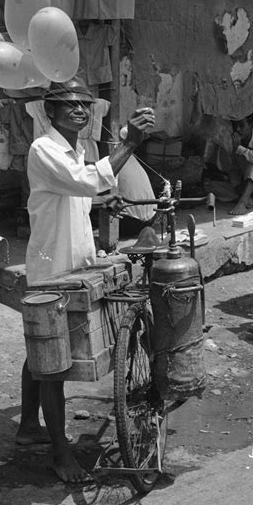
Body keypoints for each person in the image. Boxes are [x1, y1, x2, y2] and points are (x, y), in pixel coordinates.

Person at [16, 76, 155, 482]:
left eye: (85, 105)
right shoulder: (44, 148)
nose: (80, 110)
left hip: (75, 258)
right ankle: (60, 454)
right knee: (54, 366)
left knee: (42, 350)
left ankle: (28, 427)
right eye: (70, 105)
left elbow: (76, 189)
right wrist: (129, 144)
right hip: (51, 265)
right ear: (50, 112)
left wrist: (97, 199)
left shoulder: (75, 148)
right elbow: (82, 180)